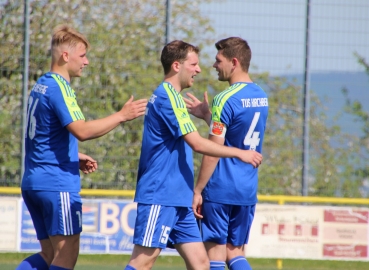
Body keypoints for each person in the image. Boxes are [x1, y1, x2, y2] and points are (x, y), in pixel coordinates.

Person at [17, 25, 147, 270]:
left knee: (47, 254)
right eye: (83, 55)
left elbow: (43, 135)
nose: (86, 62)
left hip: (34, 180)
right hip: (56, 184)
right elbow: (83, 130)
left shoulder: (41, 84)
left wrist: (71, 155)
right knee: (67, 254)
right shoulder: (60, 88)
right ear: (66, 56)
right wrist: (122, 115)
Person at [124, 40, 263, 270]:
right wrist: (240, 153)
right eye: (194, 64)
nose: (199, 69)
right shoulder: (167, 96)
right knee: (142, 262)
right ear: (177, 66)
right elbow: (198, 143)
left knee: (201, 263)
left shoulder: (175, 98)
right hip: (160, 195)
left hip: (179, 198)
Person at [185, 37, 269, 270]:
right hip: (246, 188)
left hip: (221, 188)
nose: (213, 65)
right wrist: (207, 116)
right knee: (236, 253)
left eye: (218, 60)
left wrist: (198, 190)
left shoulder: (224, 99)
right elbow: (236, 133)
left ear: (234, 62)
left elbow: (213, 151)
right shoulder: (261, 96)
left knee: (215, 256)